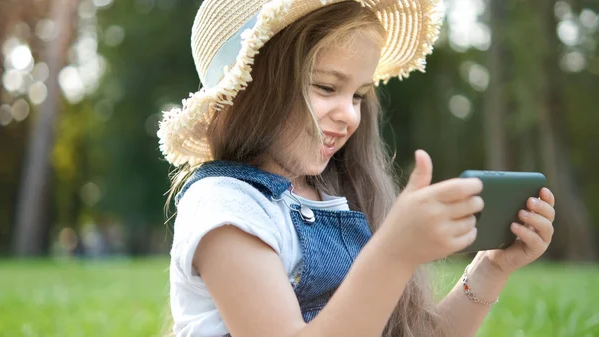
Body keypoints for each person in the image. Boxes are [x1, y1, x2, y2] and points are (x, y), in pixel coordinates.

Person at [157, 1, 556, 336]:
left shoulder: (336, 196)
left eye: (359, 95)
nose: (349, 115)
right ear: (250, 89)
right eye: (327, 87)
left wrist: (490, 267)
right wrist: (394, 252)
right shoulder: (226, 206)